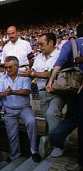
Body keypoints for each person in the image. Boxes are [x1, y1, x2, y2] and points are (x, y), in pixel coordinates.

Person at [19, 33, 65, 156]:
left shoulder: (60, 55)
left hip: (56, 92)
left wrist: (34, 74)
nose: (39, 47)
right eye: (38, 44)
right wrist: (33, 73)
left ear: (51, 43)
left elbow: (51, 73)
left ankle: (58, 145)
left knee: (52, 114)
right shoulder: (39, 57)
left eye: (42, 44)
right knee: (49, 118)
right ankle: (58, 137)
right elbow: (34, 71)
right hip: (42, 93)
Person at [46, 24, 83, 171]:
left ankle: (55, 139)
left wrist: (50, 80)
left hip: (75, 90)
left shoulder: (71, 44)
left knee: (72, 120)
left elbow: (59, 63)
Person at [0, 56, 41, 163]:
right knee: (12, 134)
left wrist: (12, 92)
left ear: (17, 66)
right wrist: (4, 94)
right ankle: (15, 156)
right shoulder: (3, 78)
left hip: (24, 108)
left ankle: (34, 151)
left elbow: (27, 91)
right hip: (9, 110)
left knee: (32, 122)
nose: (8, 69)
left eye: (10, 67)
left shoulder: (24, 76)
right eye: (6, 67)